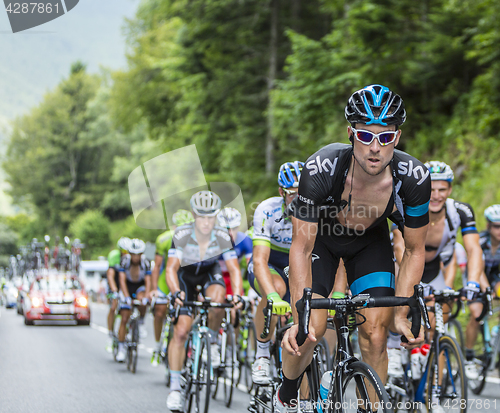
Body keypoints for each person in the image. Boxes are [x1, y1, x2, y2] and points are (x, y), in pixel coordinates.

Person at [277, 84, 432, 412]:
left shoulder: (414, 177)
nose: (375, 148)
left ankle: (370, 408)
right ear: (350, 133)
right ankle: (288, 392)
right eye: (365, 136)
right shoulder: (322, 168)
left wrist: (401, 314)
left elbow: (415, 250)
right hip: (323, 241)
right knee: (310, 333)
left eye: (385, 137)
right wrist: (298, 315)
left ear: (397, 138)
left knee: (376, 335)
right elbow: (301, 247)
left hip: (370, 244)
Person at [390, 161, 483, 382]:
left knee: (438, 320)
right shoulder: (406, 205)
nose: (436, 195)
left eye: (442, 189)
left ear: (450, 190)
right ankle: (393, 348)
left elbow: (474, 248)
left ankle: (434, 383)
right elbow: (400, 247)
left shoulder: (460, 211)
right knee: (397, 304)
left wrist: (473, 282)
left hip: (433, 270)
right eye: (431, 189)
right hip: (402, 264)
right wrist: (412, 282)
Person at [165, 190, 243, 412]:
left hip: (210, 273)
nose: (207, 222)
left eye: (211, 216)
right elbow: (170, 269)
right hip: (185, 277)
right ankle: (174, 389)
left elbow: (234, 269)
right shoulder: (181, 234)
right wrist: (175, 292)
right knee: (181, 332)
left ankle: (213, 343)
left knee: (219, 299)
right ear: (193, 215)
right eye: (202, 216)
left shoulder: (222, 236)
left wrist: (236, 294)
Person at [248, 161, 302, 386]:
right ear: (281, 192)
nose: (298, 199)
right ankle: (261, 355)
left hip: (297, 263)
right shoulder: (267, 210)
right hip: (270, 264)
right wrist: (272, 297)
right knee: (277, 289)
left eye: (303, 193)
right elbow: (260, 259)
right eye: (292, 194)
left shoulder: (316, 209)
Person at [150, 209, 194, 367]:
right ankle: (157, 346)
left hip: (184, 279)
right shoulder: (163, 239)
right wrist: (154, 288)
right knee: (160, 310)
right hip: (165, 279)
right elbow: (157, 267)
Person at [116, 239, 151, 363]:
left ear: (141, 254)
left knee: (142, 300)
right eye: (133, 254)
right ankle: (121, 348)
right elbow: (122, 280)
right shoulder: (124, 261)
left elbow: (148, 282)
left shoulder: (146, 262)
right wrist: (126, 297)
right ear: (130, 254)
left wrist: (147, 297)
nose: (136, 257)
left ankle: (141, 322)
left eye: (138, 254)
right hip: (127, 286)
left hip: (139, 286)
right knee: (124, 317)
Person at [217, 207, 253, 296]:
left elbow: (252, 268)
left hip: (234, 276)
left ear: (239, 227)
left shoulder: (246, 241)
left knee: (237, 303)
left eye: (234, 228)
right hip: (215, 277)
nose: (230, 233)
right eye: (226, 228)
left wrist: (253, 289)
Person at [105, 237, 130, 353]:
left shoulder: (132, 258)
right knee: (113, 307)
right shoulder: (114, 256)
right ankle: (110, 334)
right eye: (124, 252)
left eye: (128, 252)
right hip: (115, 282)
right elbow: (110, 275)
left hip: (126, 282)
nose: (126, 254)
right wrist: (114, 290)